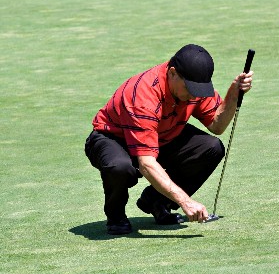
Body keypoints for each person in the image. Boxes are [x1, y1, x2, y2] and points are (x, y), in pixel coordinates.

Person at [84, 44, 253, 235]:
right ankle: (116, 216)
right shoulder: (144, 97)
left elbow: (217, 125)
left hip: (162, 133)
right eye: (190, 88)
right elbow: (146, 163)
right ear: (172, 73)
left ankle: (157, 202)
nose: (194, 94)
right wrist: (185, 201)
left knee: (211, 147)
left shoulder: (193, 87)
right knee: (120, 168)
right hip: (113, 138)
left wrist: (234, 93)